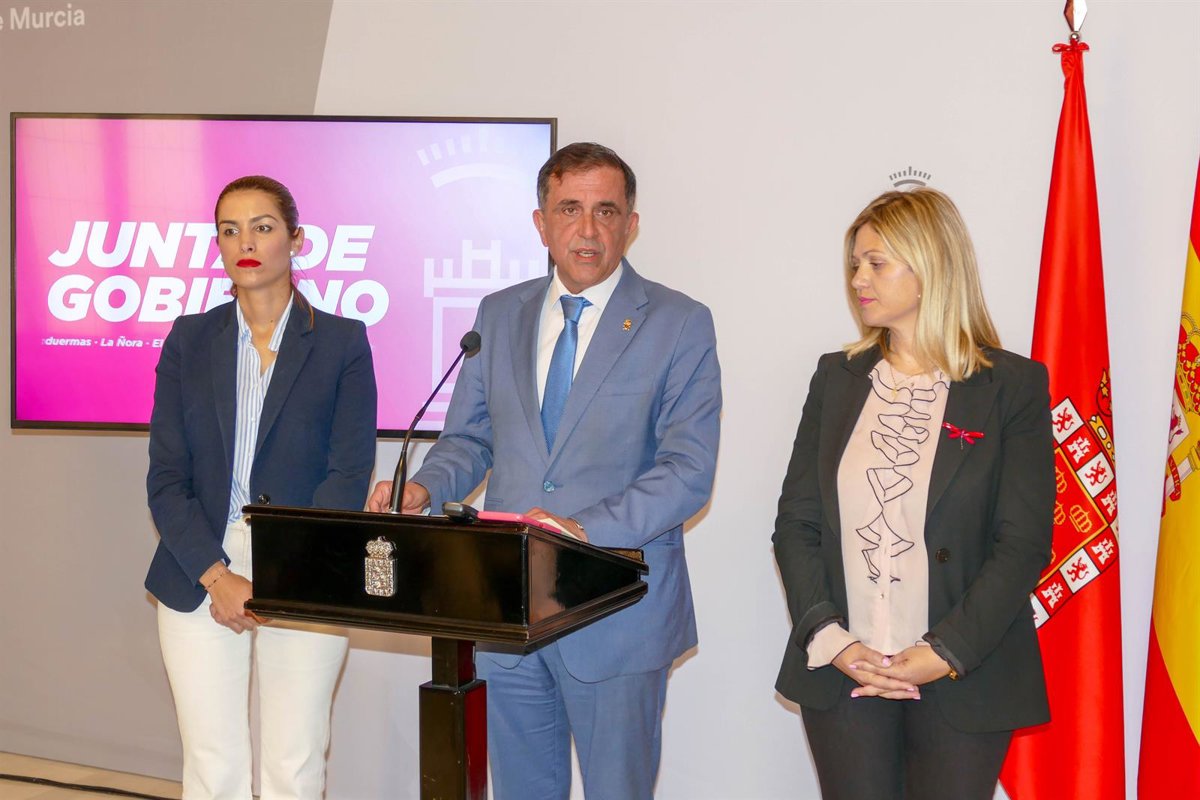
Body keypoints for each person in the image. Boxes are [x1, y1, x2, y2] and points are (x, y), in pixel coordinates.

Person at [368, 142, 721, 799]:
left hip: (618, 610)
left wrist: (581, 530)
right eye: (569, 209)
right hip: (508, 611)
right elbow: (470, 438)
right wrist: (422, 486)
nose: (587, 229)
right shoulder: (499, 314)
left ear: (631, 224)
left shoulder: (679, 323)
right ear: (540, 223)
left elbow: (688, 470)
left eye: (605, 211)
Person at [772, 188, 1054, 799]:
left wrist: (944, 652)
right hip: (845, 672)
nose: (858, 279)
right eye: (855, 263)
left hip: (965, 673)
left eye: (876, 263)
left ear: (930, 269)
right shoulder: (836, 377)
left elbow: (1023, 543)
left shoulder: (1012, 386)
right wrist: (831, 639)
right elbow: (797, 524)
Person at [145, 175, 377, 799]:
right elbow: (166, 478)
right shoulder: (190, 340)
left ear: (296, 240)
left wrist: (282, 572)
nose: (245, 242)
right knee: (211, 762)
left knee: (293, 764)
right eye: (230, 230)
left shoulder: (342, 342)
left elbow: (348, 475)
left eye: (263, 227)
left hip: (304, 565)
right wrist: (217, 576)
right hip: (198, 566)